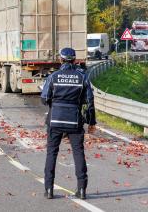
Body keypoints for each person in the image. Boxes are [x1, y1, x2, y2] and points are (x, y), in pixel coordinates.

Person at [41, 47, 96, 200]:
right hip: (75, 120)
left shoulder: (53, 76)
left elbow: (44, 98)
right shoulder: (82, 77)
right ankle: (82, 189)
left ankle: (49, 189)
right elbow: (90, 101)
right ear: (75, 60)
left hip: (55, 120)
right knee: (78, 153)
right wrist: (91, 122)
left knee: (52, 153)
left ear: (61, 60)